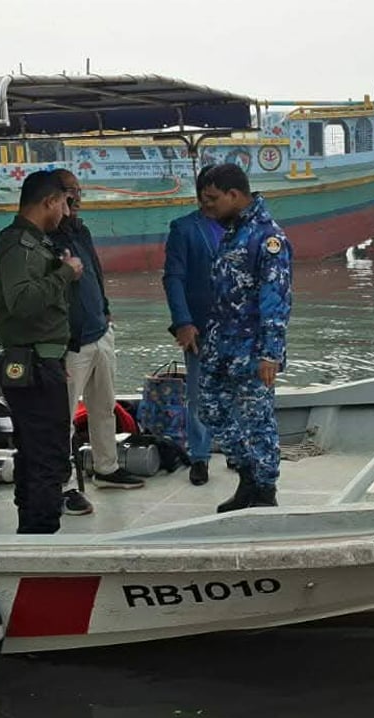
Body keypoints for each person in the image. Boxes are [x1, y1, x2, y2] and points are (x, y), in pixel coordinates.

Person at [0, 170, 84, 533]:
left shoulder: (35, 242)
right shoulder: (20, 246)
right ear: (49, 201)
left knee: (35, 454)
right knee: (48, 458)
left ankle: (31, 529)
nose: (66, 211)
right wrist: (64, 273)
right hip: (31, 365)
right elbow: (23, 302)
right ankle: (42, 535)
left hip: (41, 360)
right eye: (64, 202)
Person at [195, 164, 292, 513]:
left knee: (258, 419)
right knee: (209, 408)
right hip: (221, 345)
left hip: (253, 350)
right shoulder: (232, 233)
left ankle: (264, 491)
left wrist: (271, 353)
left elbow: (276, 299)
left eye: (212, 199)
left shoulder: (267, 238)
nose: (206, 207)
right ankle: (247, 473)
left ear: (234, 195)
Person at [51, 169, 143, 517]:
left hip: (99, 332)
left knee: (103, 406)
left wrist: (104, 310)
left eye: (77, 192)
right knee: (61, 418)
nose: (76, 199)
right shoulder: (46, 239)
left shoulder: (80, 232)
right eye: (68, 194)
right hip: (70, 343)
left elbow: (95, 273)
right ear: (54, 199)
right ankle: (63, 484)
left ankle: (106, 468)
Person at [162, 165, 224, 486]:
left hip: (236, 329)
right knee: (199, 394)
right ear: (200, 194)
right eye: (207, 196)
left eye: (219, 196)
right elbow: (173, 279)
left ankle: (238, 452)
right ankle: (199, 457)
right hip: (199, 328)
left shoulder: (244, 228)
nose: (212, 203)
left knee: (238, 392)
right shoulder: (184, 229)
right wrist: (183, 322)